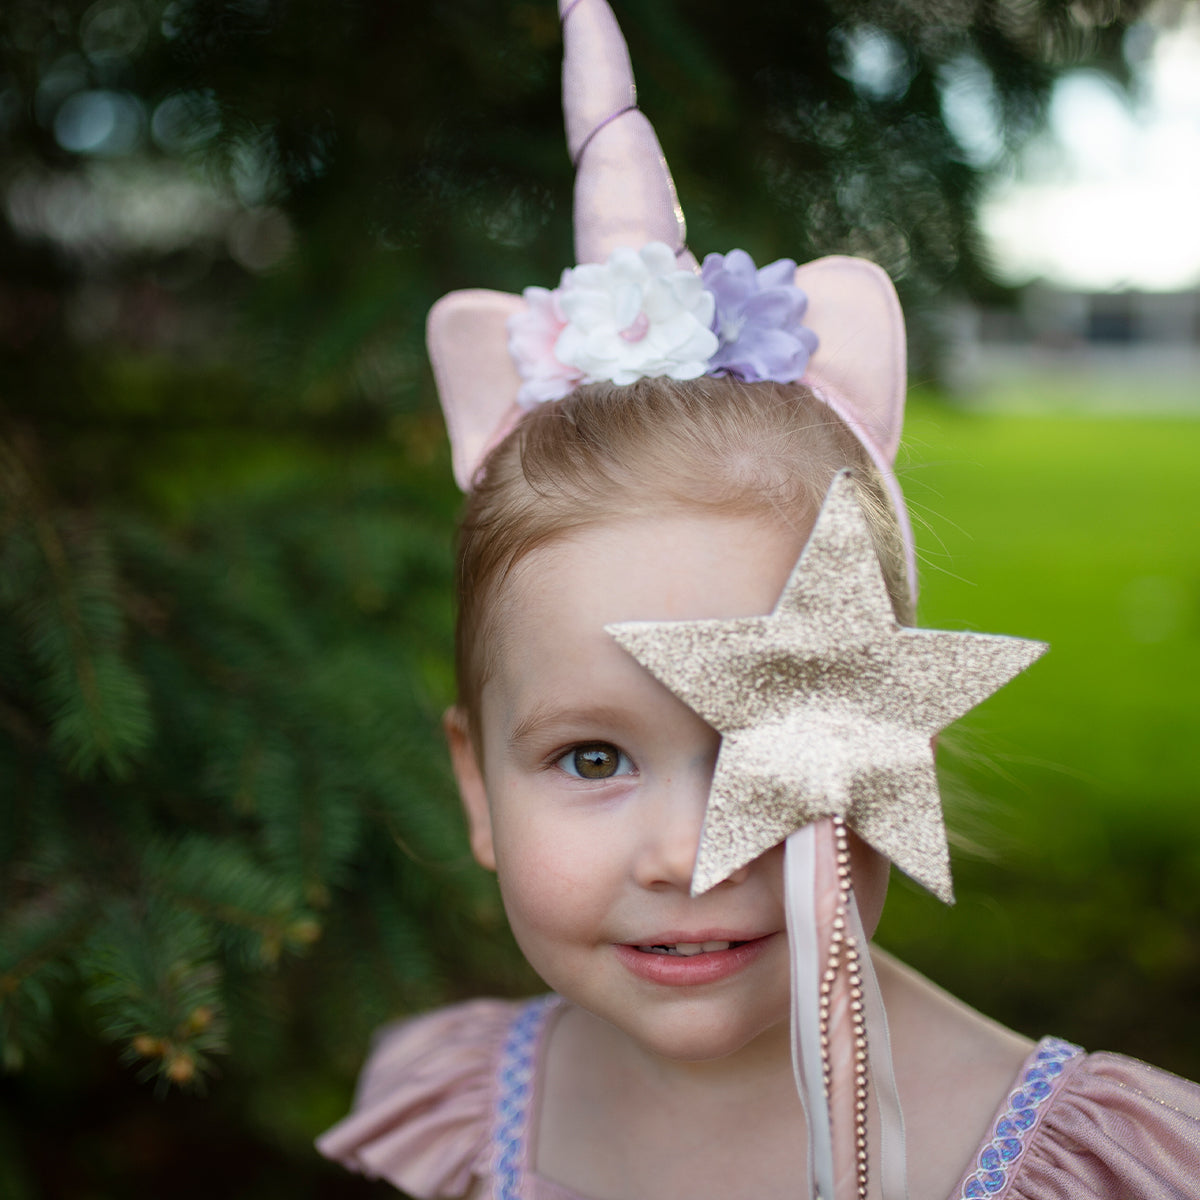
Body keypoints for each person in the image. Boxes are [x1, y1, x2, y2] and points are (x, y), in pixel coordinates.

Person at [318, 3, 1200, 1197]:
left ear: (906, 746)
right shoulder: (466, 1112)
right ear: (478, 788)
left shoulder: (1085, 1162)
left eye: (771, 742)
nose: (691, 853)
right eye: (590, 759)